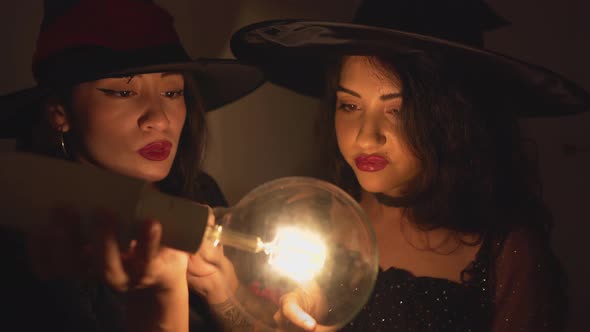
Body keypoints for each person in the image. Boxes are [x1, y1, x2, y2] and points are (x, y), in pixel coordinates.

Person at [229, 0, 590, 331]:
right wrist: (223, 291)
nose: (366, 138)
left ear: (452, 119)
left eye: (397, 110)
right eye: (350, 106)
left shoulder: (505, 252)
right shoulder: (316, 217)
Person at [0, 0, 263, 331]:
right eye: (123, 92)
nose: (159, 119)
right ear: (60, 113)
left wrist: (223, 293)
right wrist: (165, 295)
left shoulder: (199, 194)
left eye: (171, 92)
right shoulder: (33, 242)